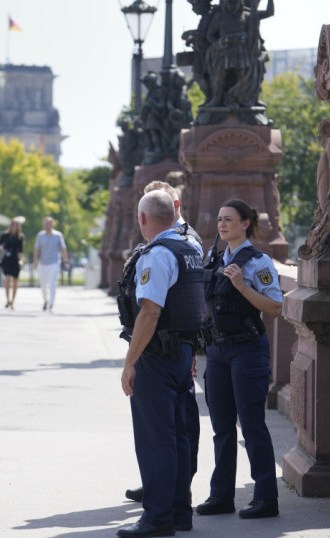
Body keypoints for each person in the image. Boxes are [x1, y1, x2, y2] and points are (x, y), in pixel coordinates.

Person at [117, 190, 206, 537]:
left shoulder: (157, 255)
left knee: (156, 439)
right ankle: (180, 513)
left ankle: (157, 517)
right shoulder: (191, 249)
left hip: (156, 357)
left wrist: (130, 362)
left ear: (143, 219)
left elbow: (150, 313)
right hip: (183, 353)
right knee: (179, 436)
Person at [195, 199, 282, 520]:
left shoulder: (258, 262)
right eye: (220, 219)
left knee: (252, 424)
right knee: (221, 427)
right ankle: (221, 495)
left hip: (248, 349)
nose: (222, 224)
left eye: (229, 219)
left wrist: (242, 285)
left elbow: (275, 308)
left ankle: (266, 497)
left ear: (245, 223)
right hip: (217, 351)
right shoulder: (214, 258)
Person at [33, 216, 69, 312]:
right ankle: (46, 300)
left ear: (52, 224)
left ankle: (51, 303)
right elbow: (37, 249)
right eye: (45, 224)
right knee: (43, 285)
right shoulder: (40, 235)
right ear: (43, 225)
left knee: (53, 283)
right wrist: (35, 261)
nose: (47, 225)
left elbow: (63, 249)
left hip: (54, 262)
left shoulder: (58, 235)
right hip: (43, 263)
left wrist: (66, 261)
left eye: (49, 223)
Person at [0, 217, 25, 309]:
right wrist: (3, 250)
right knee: (7, 278)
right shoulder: (5, 235)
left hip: (15, 260)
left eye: (16, 225)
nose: (14, 226)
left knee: (15, 280)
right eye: (13, 224)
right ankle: (7, 299)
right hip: (7, 259)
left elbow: (21, 251)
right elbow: (0, 244)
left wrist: (21, 260)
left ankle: (13, 301)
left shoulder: (20, 237)